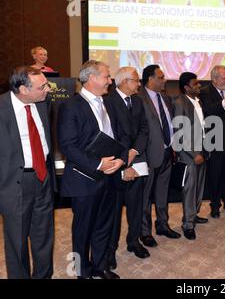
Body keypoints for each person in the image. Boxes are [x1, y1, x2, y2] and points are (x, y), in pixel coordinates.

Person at [58, 60, 127, 279]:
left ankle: (100, 266)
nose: (110, 81)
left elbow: (119, 137)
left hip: (110, 177)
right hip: (84, 178)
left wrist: (120, 161)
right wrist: (98, 164)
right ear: (93, 78)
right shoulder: (71, 105)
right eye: (107, 76)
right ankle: (81, 271)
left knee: (104, 226)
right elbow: (68, 145)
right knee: (82, 230)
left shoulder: (108, 103)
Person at [0, 66, 55, 279]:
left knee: (44, 235)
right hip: (14, 183)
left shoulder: (42, 103)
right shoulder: (2, 107)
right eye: (42, 86)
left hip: (43, 178)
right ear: (23, 89)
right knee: (17, 240)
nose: (48, 89)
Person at [104, 67, 150, 271]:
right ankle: (109, 251)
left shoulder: (138, 101)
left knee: (136, 206)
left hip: (136, 158)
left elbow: (144, 129)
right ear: (124, 82)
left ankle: (133, 241)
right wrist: (125, 161)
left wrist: (134, 151)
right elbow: (109, 136)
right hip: (116, 165)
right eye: (136, 80)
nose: (139, 84)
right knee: (113, 212)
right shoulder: (107, 101)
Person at [138, 64, 181, 247]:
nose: (165, 80)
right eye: (161, 77)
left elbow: (169, 124)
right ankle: (145, 232)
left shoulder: (165, 98)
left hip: (167, 152)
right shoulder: (139, 98)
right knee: (145, 197)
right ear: (150, 79)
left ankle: (163, 225)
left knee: (163, 193)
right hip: (148, 155)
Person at [199, 65, 225, 218]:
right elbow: (208, 111)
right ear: (214, 79)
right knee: (215, 175)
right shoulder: (205, 92)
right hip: (215, 140)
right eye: (224, 77)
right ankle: (215, 205)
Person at [173, 72, 209, 240]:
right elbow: (180, 132)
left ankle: (193, 215)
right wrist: (193, 154)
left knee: (199, 185)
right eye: (195, 84)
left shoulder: (198, 100)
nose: (199, 85)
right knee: (190, 188)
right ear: (186, 87)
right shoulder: (180, 102)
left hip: (202, 149)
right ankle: (187, 224)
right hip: (189, 153)